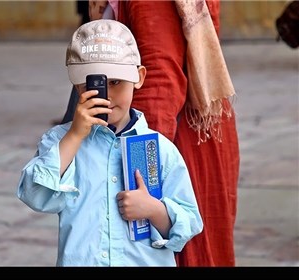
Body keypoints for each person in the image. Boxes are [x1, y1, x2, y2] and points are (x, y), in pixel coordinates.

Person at [17, 19, 203, 266]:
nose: (107, 95)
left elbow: (190, 222)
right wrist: (74, 136)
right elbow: (35, 195)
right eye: (94, 85)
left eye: (116, 82)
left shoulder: (160, 149)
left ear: (139, 77)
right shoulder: (60, 141)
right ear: (77, 84)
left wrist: (154, 210)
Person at [88, 0, 240, 266]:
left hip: (174, 138)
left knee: (167, 243)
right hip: (199, 125)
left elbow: (160, 80)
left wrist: (135, 173)